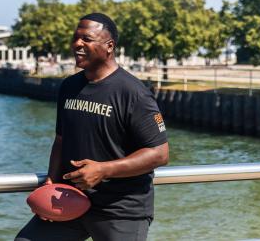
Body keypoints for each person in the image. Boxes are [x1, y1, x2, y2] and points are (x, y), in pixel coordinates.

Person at [15, 13, 169, 241]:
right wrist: (51, 180)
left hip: (120, 210)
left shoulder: (134, 93)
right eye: (76, 38)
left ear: (109, 46)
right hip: (69, 201)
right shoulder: (69, 86)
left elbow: (159, 154)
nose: (77, 44)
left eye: (86, 39)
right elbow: (60, 139)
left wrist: (103, 170)